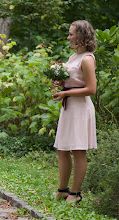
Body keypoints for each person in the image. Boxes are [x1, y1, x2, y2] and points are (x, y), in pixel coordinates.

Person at [53, 20, 97, 203]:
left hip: (80, 108)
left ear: (81, 36)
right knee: (62, 149)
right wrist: (59, 85)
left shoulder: (87, 59)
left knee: (78, 151)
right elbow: (72, 81)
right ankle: (62, 190)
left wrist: (65, 93)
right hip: (68, 108)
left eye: (71, 34)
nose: (68, 37)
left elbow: (91, 89)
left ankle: (75, 193)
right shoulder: (73, 58)